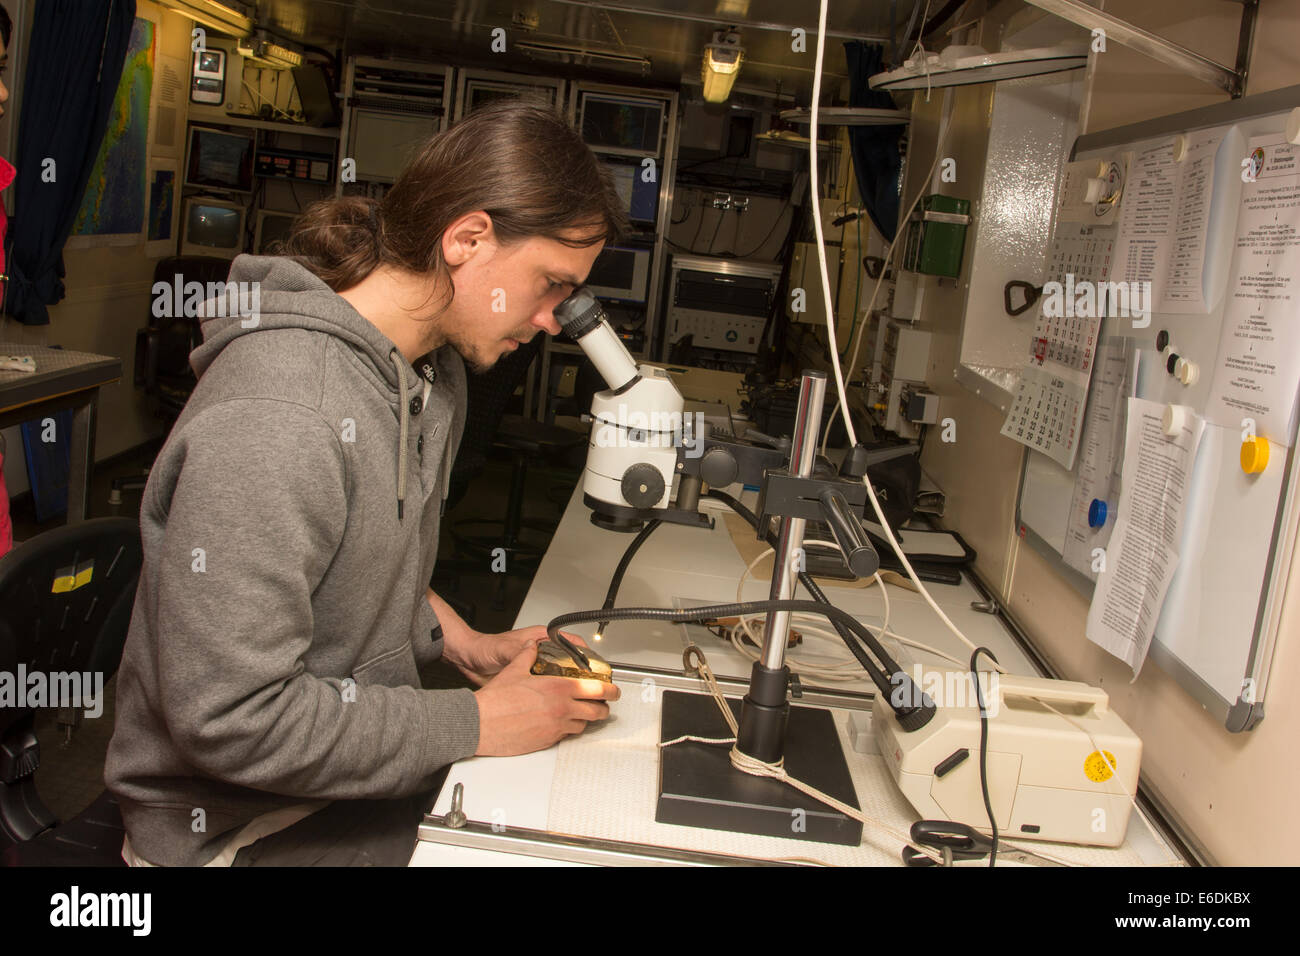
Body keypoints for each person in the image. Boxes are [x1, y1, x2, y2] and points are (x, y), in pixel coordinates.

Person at [105, 102, 625, 866]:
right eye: (551, 284)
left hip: (340, 785)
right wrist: (478, 723)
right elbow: (231, 720)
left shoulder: (427, 374)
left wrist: (469, 647)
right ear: (468, 239)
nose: (555, 321)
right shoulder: (282, 414)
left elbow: (361, 556)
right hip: (233, 831)